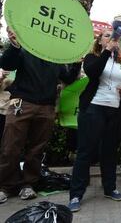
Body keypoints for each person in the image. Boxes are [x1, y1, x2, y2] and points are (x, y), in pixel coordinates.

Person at [0, 27, 81, 204]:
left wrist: (76, 62)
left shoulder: (55, 58)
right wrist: (14, 44)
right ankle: (6, 186)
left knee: (36, 149)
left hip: (46, 107)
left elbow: (67, 78)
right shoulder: (25, 48)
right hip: (21, 104)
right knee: (10, 146)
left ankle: (28, 185)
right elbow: (7, 64)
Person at [68, 29, 121, 212]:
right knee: (85, 151)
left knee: (109, 152)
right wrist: (107, 51)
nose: (112, 38)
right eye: (107, 35)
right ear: (100, 41)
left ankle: (110, 188)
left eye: (114, 36)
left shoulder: (120, 63)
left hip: (113, 111)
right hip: (94, 108)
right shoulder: (92, 57)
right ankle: (76, 195)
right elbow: (93, 73)